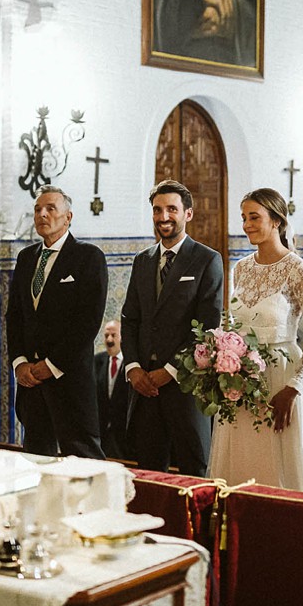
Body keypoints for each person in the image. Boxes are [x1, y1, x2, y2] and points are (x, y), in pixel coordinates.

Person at [209, 188, 303, 494]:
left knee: (281, 465)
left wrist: (295, 387)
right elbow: (235, 326)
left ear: (276, 220)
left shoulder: (298, 269)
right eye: (244, 218)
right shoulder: (241, 268)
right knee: (243, 461)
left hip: (282, 377)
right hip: (243, 378)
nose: (247, 224)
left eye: (255, 217)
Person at [122, 179, 225, 477]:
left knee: (195, 468)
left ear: (187, 214)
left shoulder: (207, 259)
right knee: (150, 472)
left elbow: (207, 329)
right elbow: (130, 319)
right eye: (157, 210)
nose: (163, 217)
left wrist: (168, 371)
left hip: (185, 387)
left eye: (171, 209)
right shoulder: (142, 261)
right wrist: (133, 368)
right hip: (144, 387)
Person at [6, 186, 109, 458]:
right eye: (38, 209)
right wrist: (20, 363)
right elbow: (14, 316)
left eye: (51, 208)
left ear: (68, 217)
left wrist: (51, 366)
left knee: (84, 460)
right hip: (31, 386)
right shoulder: (26, 258)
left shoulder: (88, 257)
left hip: (69, 381)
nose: (42, 214)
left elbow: (87, 323)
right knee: (37, 460)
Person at [94, 321, 131, 460]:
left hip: (125, 437)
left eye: (113, 335)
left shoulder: (132, 363)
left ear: (122, 337)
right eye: (106, 335)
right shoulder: (96, 361)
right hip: (102, 436)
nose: (109, 339)